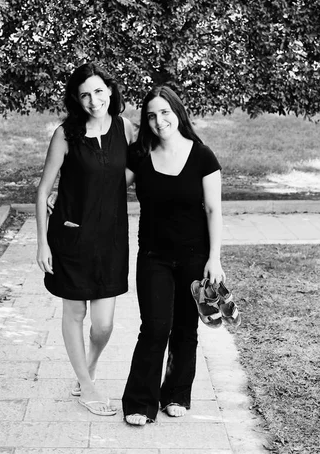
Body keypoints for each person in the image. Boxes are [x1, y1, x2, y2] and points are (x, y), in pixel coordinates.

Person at [122, 85, 225, 425]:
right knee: (154, 328)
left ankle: (177, 394)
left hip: (195, 257)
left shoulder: (203, 156)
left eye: (164, 112)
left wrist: (215, 259)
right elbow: (104, 185)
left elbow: (213, 210)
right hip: (153, 256)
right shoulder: (139, 156)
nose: (158, 120)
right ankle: (139, 402)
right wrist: (61, 194)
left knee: (184, 329)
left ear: (177, 112)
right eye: (151, 115)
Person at [36, 62, 134, 416]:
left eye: (98, 91)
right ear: (76, 101)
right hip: (71, 235)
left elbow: (136, 172)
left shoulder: (127, 128)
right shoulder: (66, 134)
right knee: (75, 310)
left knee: (104, 323)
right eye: (84, 95)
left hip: (111, 238)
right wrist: (42, 244)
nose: (93, 101)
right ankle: (88, 386)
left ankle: (87, 368)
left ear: (109, 90)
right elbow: (43, 189)